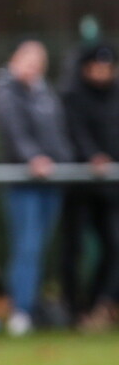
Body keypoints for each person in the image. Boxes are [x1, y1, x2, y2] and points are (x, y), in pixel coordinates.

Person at [0, 40, 73, 336]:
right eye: (29, 62)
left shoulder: (43, 91)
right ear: (15, 59)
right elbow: (12, 130)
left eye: (39, 64)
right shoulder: (5, 87)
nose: (34, 69)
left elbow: (58, 133)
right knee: (27, 247)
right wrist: (33, 159)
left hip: (52, 181)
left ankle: (32, 307)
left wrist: (65, 162)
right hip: (23, 183)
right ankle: (20, 311)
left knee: (38, 250)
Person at [59, 42, 119, 330]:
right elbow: (74, 131)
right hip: (79, 185)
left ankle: (100, 303)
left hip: (110, 187)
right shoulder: (73, 95)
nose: (102, 72)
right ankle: (74, 309)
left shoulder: (114, 95)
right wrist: (92, 156)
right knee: (73, 248)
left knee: (114, 245)